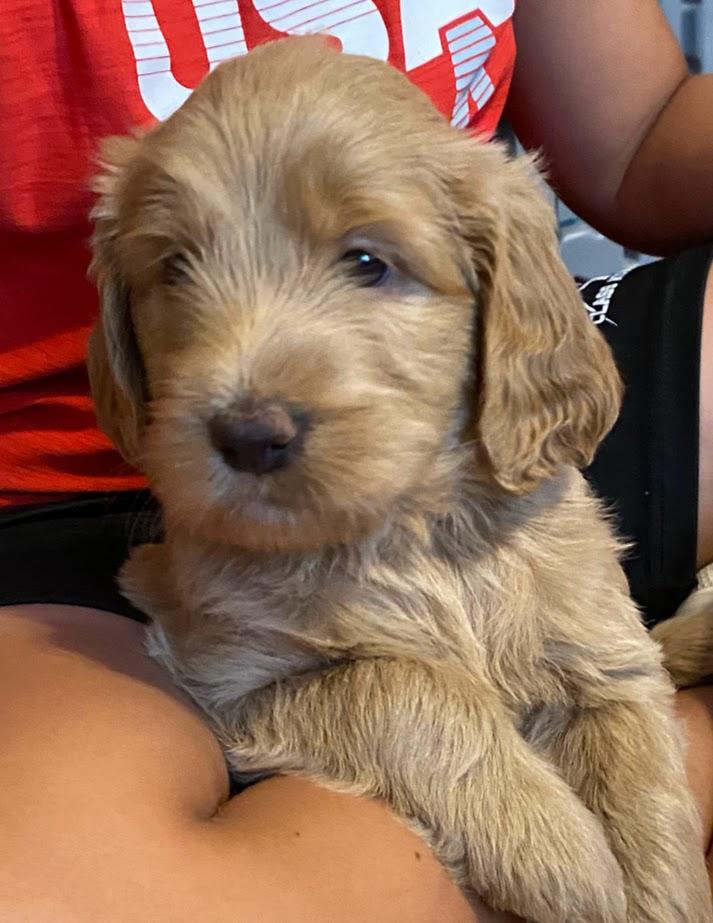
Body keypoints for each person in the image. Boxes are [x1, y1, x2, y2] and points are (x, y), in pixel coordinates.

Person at [0, 2, 711, 919]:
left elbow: (642, 131)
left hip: (476, 430)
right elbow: (250, 682)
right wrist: (449, 741)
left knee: (603, 691)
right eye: (177, 269)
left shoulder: (494, 248)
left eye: (367, 263)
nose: (251, 383)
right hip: (64, 501)